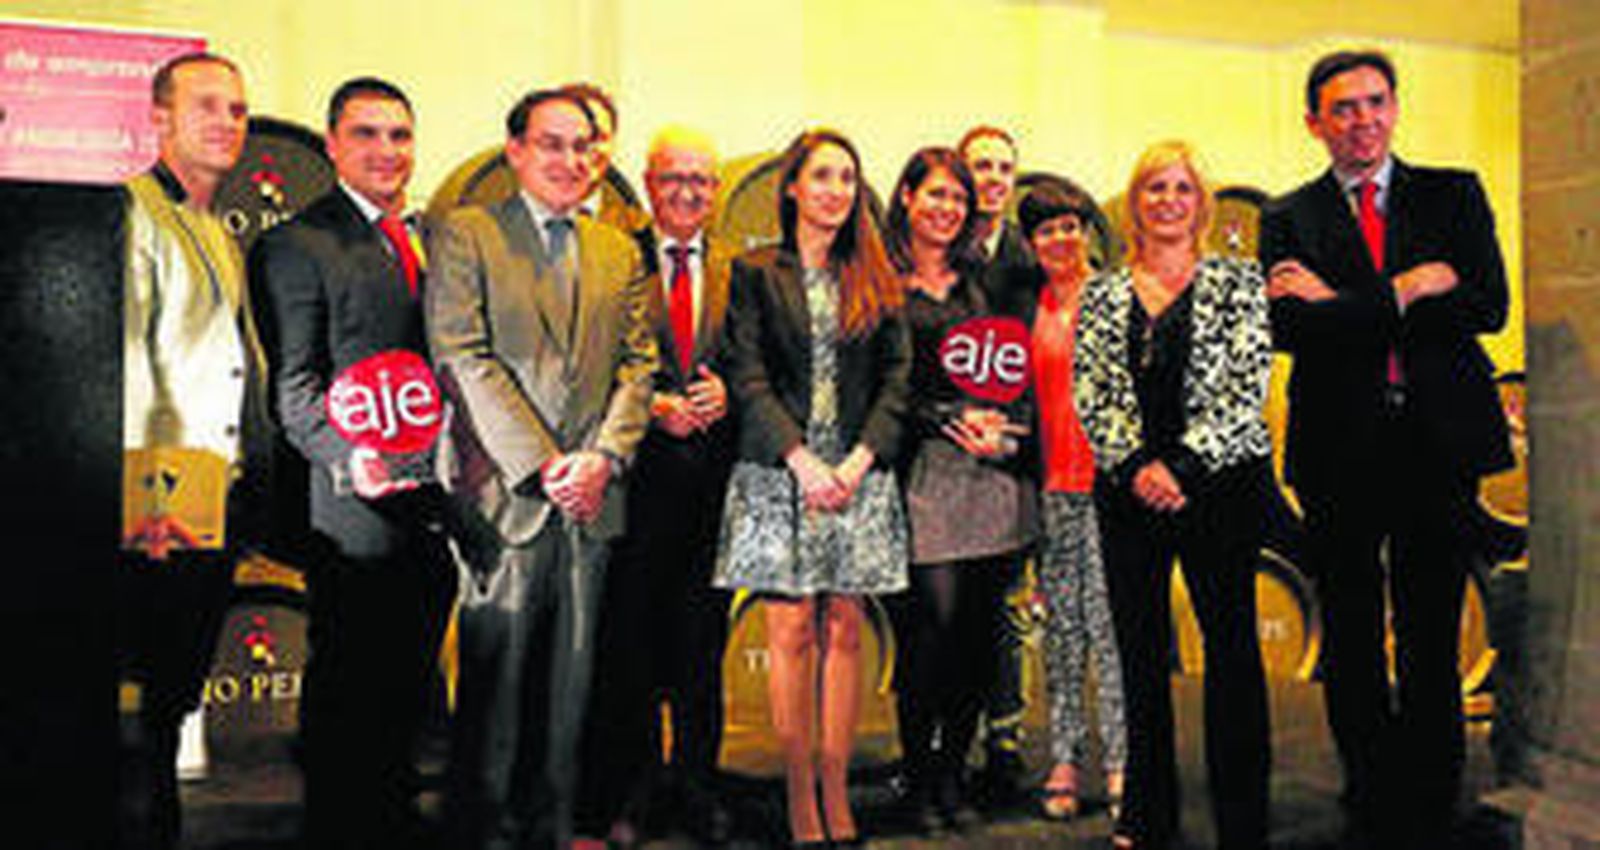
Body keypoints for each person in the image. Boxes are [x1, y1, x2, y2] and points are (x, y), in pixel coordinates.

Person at [1260, 49, 1512, 846]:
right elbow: (1290, 329)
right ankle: (1369, 786)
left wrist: (1342, 304)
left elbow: (1489, 306)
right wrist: (1405, 290)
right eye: (1343, 108)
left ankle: (1433, 791)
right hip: (1340, 451)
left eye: (1375, 102)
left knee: (1433, 625)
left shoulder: (1453, 192)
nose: (1362, 119)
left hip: (1437, 446)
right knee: (1354, 626)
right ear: (1314, 123)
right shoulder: (1287, 216)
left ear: (1396, 107)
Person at [427, 87, 657, 850]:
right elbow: (462, 354)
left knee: (572, 689)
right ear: (517, 151)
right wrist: (548, 464)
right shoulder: (466, 233)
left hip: (593, 499)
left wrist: (604, 458)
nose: (570, 160)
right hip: (504, 496)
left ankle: (552, 829)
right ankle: (483, 833)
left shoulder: (620, 249)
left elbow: (638, 365)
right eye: (551, 144)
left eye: (583, 146)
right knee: (495, 690)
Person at [250, 77, 456, 850]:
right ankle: (340, 827)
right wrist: (351, 459)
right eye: (367, 134)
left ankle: (392, 818)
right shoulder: (295, 244)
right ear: (332, 144)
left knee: (407, 682)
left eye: (400, 135)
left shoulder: (429, 239)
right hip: (352, 508)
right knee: (351, 685)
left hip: (432, 500)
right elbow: (294, 389)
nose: (386, 150)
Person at [714, 128, 910, 848]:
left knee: (844, 628)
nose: (835, 190)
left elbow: (897, 377)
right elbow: (748, 374)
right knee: (792, 629)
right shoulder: (756, 272)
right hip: (779, 474)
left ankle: (835, 783)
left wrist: (858, 461)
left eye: (848, 178)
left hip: (858, 473)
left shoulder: (877, 274)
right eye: (822, 175)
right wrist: (799, 459)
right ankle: (799, 791)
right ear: (793, 185)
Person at [1076, 140, 1273, 850]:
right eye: (1154, 188)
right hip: (1129, 493)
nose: (1168, 200)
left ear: (1201, 202)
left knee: (1233, 651)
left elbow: (1245, 392)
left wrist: (1182, 468)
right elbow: (1091, 392)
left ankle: (1242, 818)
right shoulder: (1101, 291)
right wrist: (1136, 467)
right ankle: (1148, 814)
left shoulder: (1240, 284)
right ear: (1136, 203)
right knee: (1140, 657)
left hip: (1220, 490)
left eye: (1181, 188)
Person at [118, 51, 269, 850]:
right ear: (160, 118)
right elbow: (129, 363)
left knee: (174, 697)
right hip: (163, 508)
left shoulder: (215, 224)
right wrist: (149, 505)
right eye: (206, 105)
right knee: (146, 710)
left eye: (238, 109)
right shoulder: (135, 212)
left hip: (216, 498)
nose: (227, 122)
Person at [577, 126, 736, 847]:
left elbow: (754, 361)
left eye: (701, 180)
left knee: (703, 651)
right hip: (634, 491)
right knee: (632, 651)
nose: (687, 192)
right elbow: (594, 361)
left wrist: (726, 393)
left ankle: (697, 786)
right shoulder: (614, 260)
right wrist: (652, 407)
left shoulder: (740, 270)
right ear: (647, 182)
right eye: (674, 178)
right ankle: (635, 791)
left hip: (712, 492)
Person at [881, 146, 1036, 835]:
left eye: (957, 198)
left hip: (990, 474)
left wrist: (1007, 430)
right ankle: (918, 775)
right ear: (908, 198)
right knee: (929, 632)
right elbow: (881, 387)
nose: (946, 208)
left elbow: (1020, 366)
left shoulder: (988, 282)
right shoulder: (881, 283)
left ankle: (952, 773)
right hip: (923, 475)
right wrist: (945, 417)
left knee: (977, 633)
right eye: (934, 195)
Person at [1018, 184, 1127, 824]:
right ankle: (1063, 757)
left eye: (1070, 226)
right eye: (1047, 231)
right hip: (1050, 488)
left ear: (1087, 231)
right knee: (1061, 631)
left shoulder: (1114, 296)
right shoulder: (1026, 307)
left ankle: (1120, 760)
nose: (1061, 239)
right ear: (1031, 243)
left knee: (1110, 629)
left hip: (1109, 488)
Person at [956, 124, 1036, 801]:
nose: (992, 177)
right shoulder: (935, 249)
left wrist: (1018, 435)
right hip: (948, 451)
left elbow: (1047, 360)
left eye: (1003, 166)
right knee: (949, 611)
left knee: (1007, 604)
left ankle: (1004, 739)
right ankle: (943, 742)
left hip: (1014, 452)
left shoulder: (1033, 255)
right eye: (979, 165)